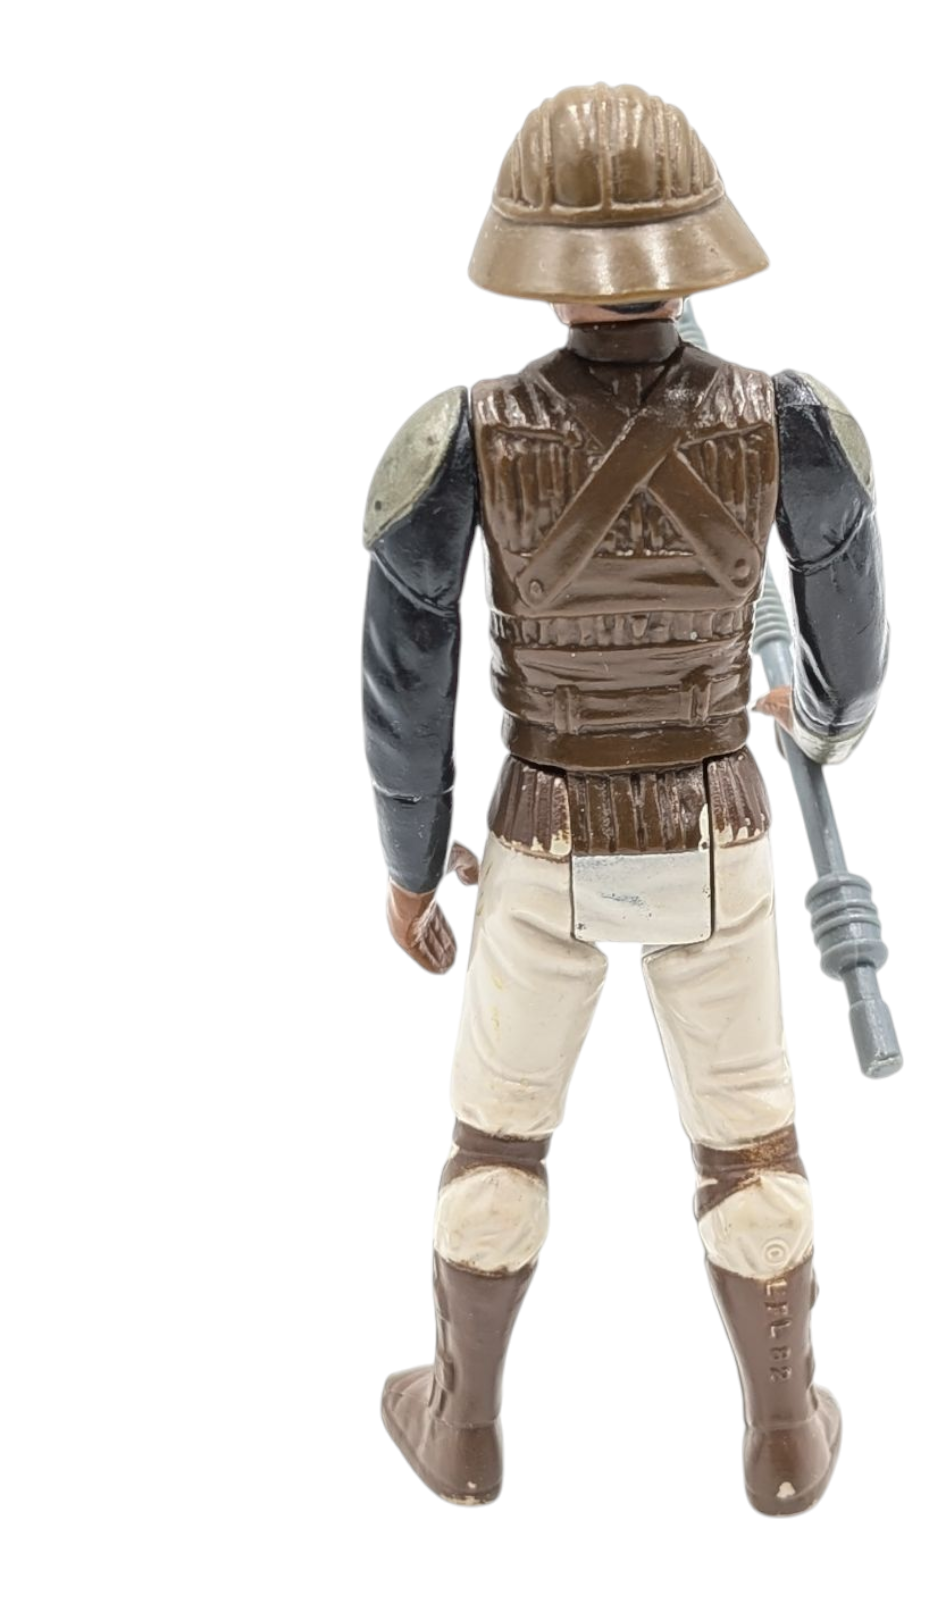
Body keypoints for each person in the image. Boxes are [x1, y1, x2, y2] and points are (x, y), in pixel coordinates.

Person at [361, 83, 887, 1515]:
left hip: (543, 836)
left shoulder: (460, 436)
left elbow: (408, 692)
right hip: (717, 831)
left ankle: (463, 1425)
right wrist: (818, 724)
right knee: (750, 1145)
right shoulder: (794, 423)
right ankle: (785, 1435)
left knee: (498, 1139)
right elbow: (850, 658)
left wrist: (411, 865)